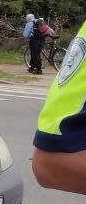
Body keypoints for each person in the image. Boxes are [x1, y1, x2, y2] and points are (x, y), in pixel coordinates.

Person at [32, 19, 86, 194]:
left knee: (36, 53)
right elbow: (49, 164)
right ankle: (36, 68)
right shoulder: (36, 25)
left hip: (42, 39)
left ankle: (36, 68)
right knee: (35, 54)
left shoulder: (35, 24)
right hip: (41, 39)